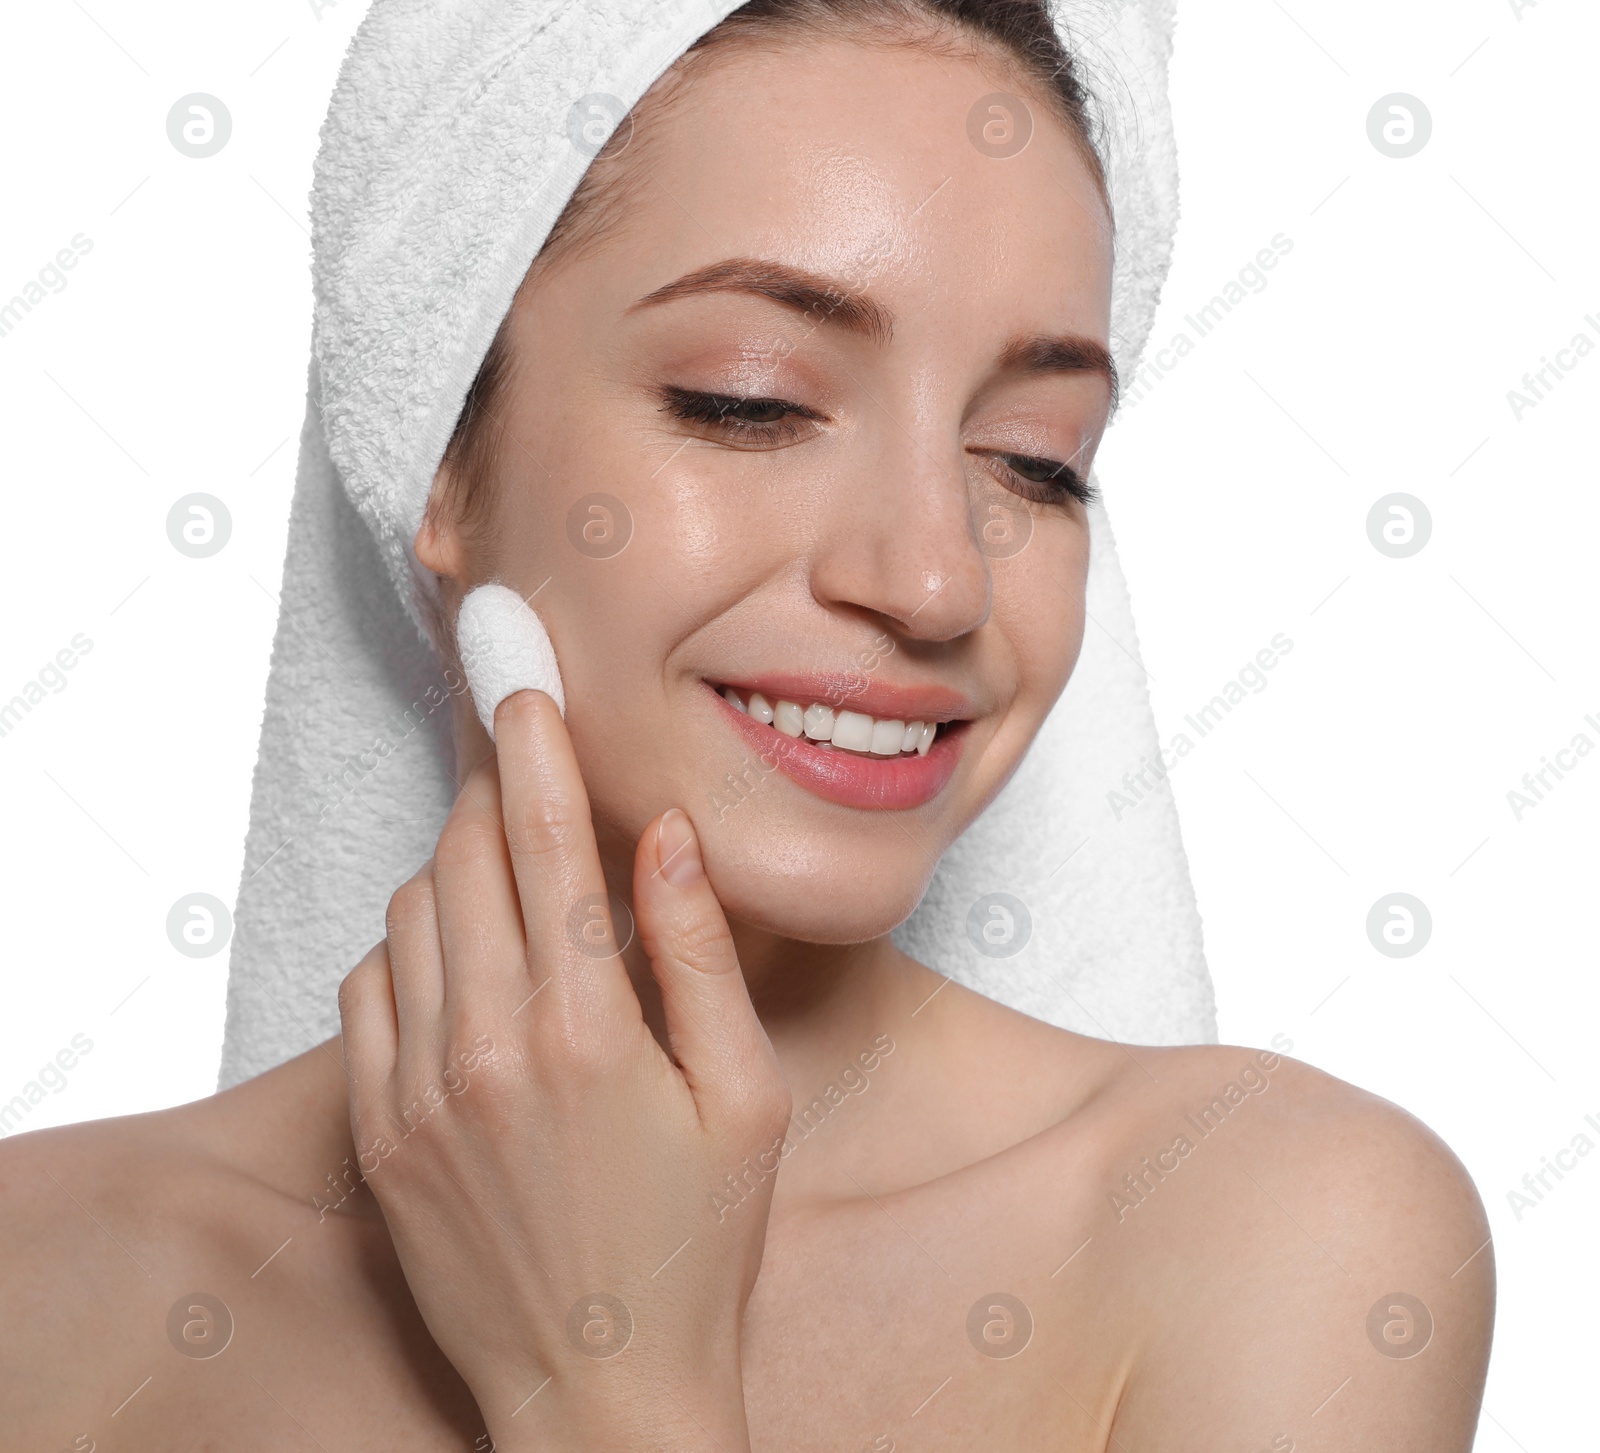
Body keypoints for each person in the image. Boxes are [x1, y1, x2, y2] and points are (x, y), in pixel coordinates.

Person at [0, 2, 1493, 1449]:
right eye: (749, 402)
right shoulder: (43, 1283)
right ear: (438, 456)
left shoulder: (1282, 1235)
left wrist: (603, 1382)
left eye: (1036, 462)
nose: (933, 576)